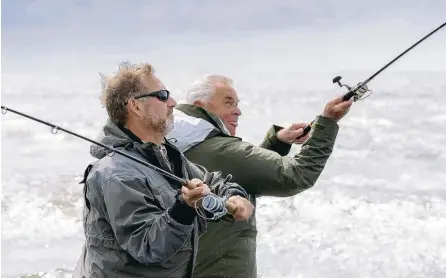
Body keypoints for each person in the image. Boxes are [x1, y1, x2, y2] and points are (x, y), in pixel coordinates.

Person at [73, 64, 254, 278]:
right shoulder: (116, 174)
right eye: (162, 96)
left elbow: (212, 182)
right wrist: (184, 207)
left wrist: (235, 197)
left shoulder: (165, 155)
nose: (173, 103)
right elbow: (148, 246)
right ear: (135, 106)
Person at [165, 75, 354, 277]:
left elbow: (237, 174)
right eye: (228, 102)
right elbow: (298, 175)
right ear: (200, 106)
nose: (237, 111)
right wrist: (327, 122)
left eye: (237, 104)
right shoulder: (223, 151)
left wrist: (277, 143)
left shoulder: (170, 144)